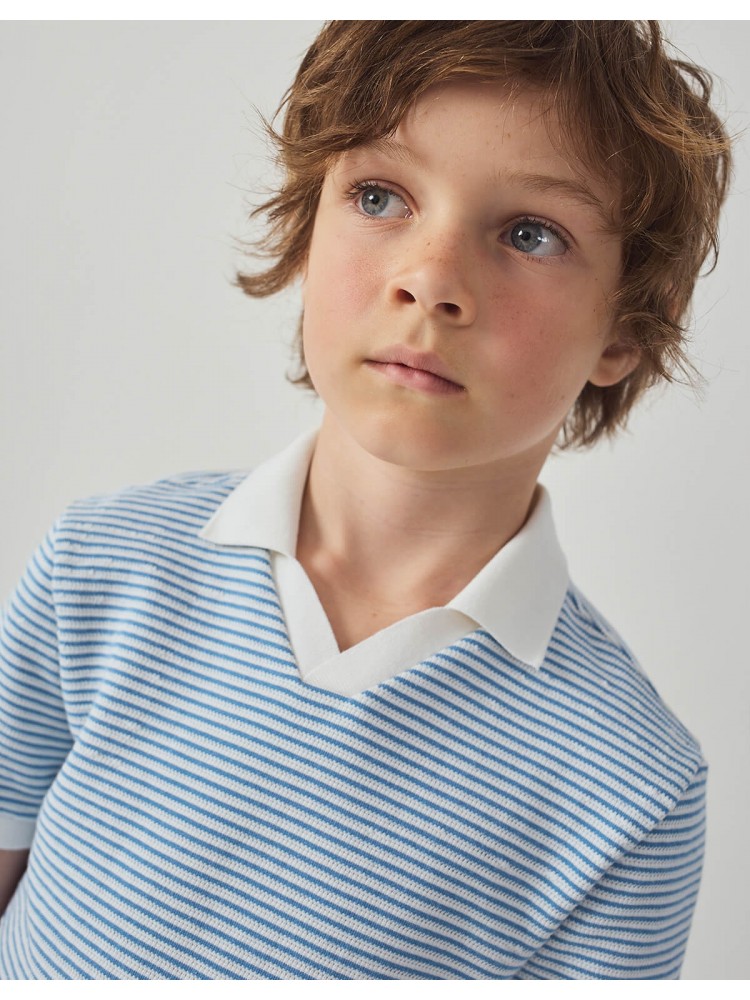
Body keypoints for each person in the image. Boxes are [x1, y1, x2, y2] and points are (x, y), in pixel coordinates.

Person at [0, 21, 731, 979]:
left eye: (530, 234)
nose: (430, 280)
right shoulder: (100, 564)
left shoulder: (631, 786)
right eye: (380, 196)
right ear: (307, 227)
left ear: (628, 328)